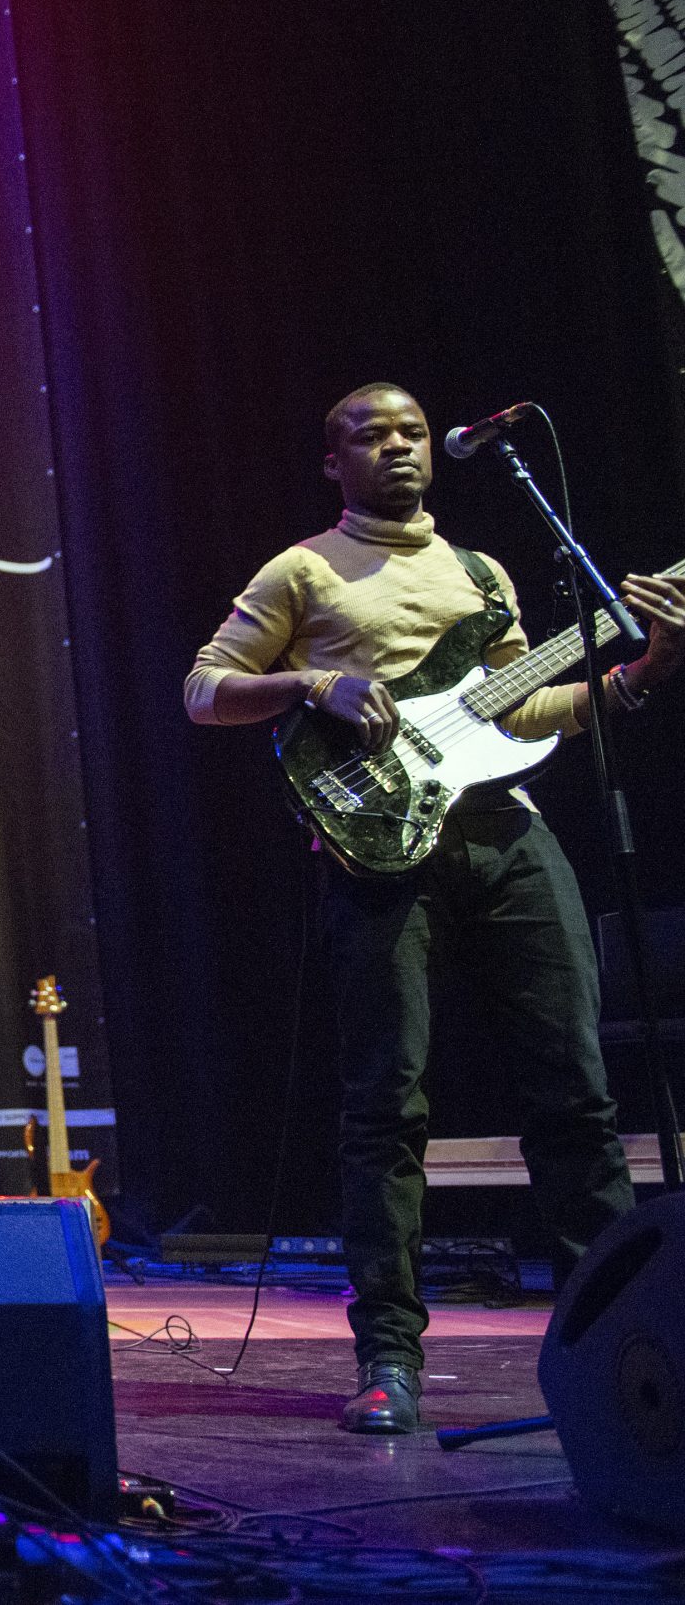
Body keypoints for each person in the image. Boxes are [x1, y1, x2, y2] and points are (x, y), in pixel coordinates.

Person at [185, 383, 683, 1434]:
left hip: (502, 829)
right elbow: (204, 686)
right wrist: (308, 682)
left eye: (410, 432)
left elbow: (524, 705)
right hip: (376, 852)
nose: (398, 448)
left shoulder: (481, 572)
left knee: (575, 1094)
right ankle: (389, 1359)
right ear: (335, 462)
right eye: (372, 436)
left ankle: (624, 1334)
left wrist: (639, 672)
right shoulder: (304, 568)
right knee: (386, 1108)